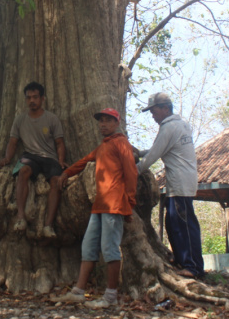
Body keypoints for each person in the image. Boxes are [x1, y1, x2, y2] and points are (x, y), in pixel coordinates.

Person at [53, 108, 137, 308]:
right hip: (98, 206)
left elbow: (131, 173)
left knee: (109, 249)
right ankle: (78, 291)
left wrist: (130, 203)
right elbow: (84, 161)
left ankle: (110, 296)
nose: (103, 124)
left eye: (108, 120)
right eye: (101, 121)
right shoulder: (103, 146)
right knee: (88, 248)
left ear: (116, 123)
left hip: (114, 205)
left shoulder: (121, 143)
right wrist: (66, 173)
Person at [137, 92, 205, 279]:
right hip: (182, 182)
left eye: (154, 111)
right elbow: (160, 148)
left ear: (165, 108)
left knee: (184, 224)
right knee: (172, 222)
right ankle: (182, 259)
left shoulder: (168, 127)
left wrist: (134, 170)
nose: (153, 115)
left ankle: (193, 267)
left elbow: (154, 155)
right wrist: (139, 153)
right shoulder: (181, 125)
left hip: (180, 183)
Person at [0, 82, 68, 237]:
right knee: (23, 171)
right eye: (29, 98)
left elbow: (59, 143)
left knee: (56, 181)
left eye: (35, 97)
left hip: (50, 158)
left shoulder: (51, 119)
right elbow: (13, 142)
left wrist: (61, 160)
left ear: (42, 98)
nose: (32, 101)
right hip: (30, 156)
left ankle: (48, 225)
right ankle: (20, 217)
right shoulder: (20, 120)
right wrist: (7, 158)